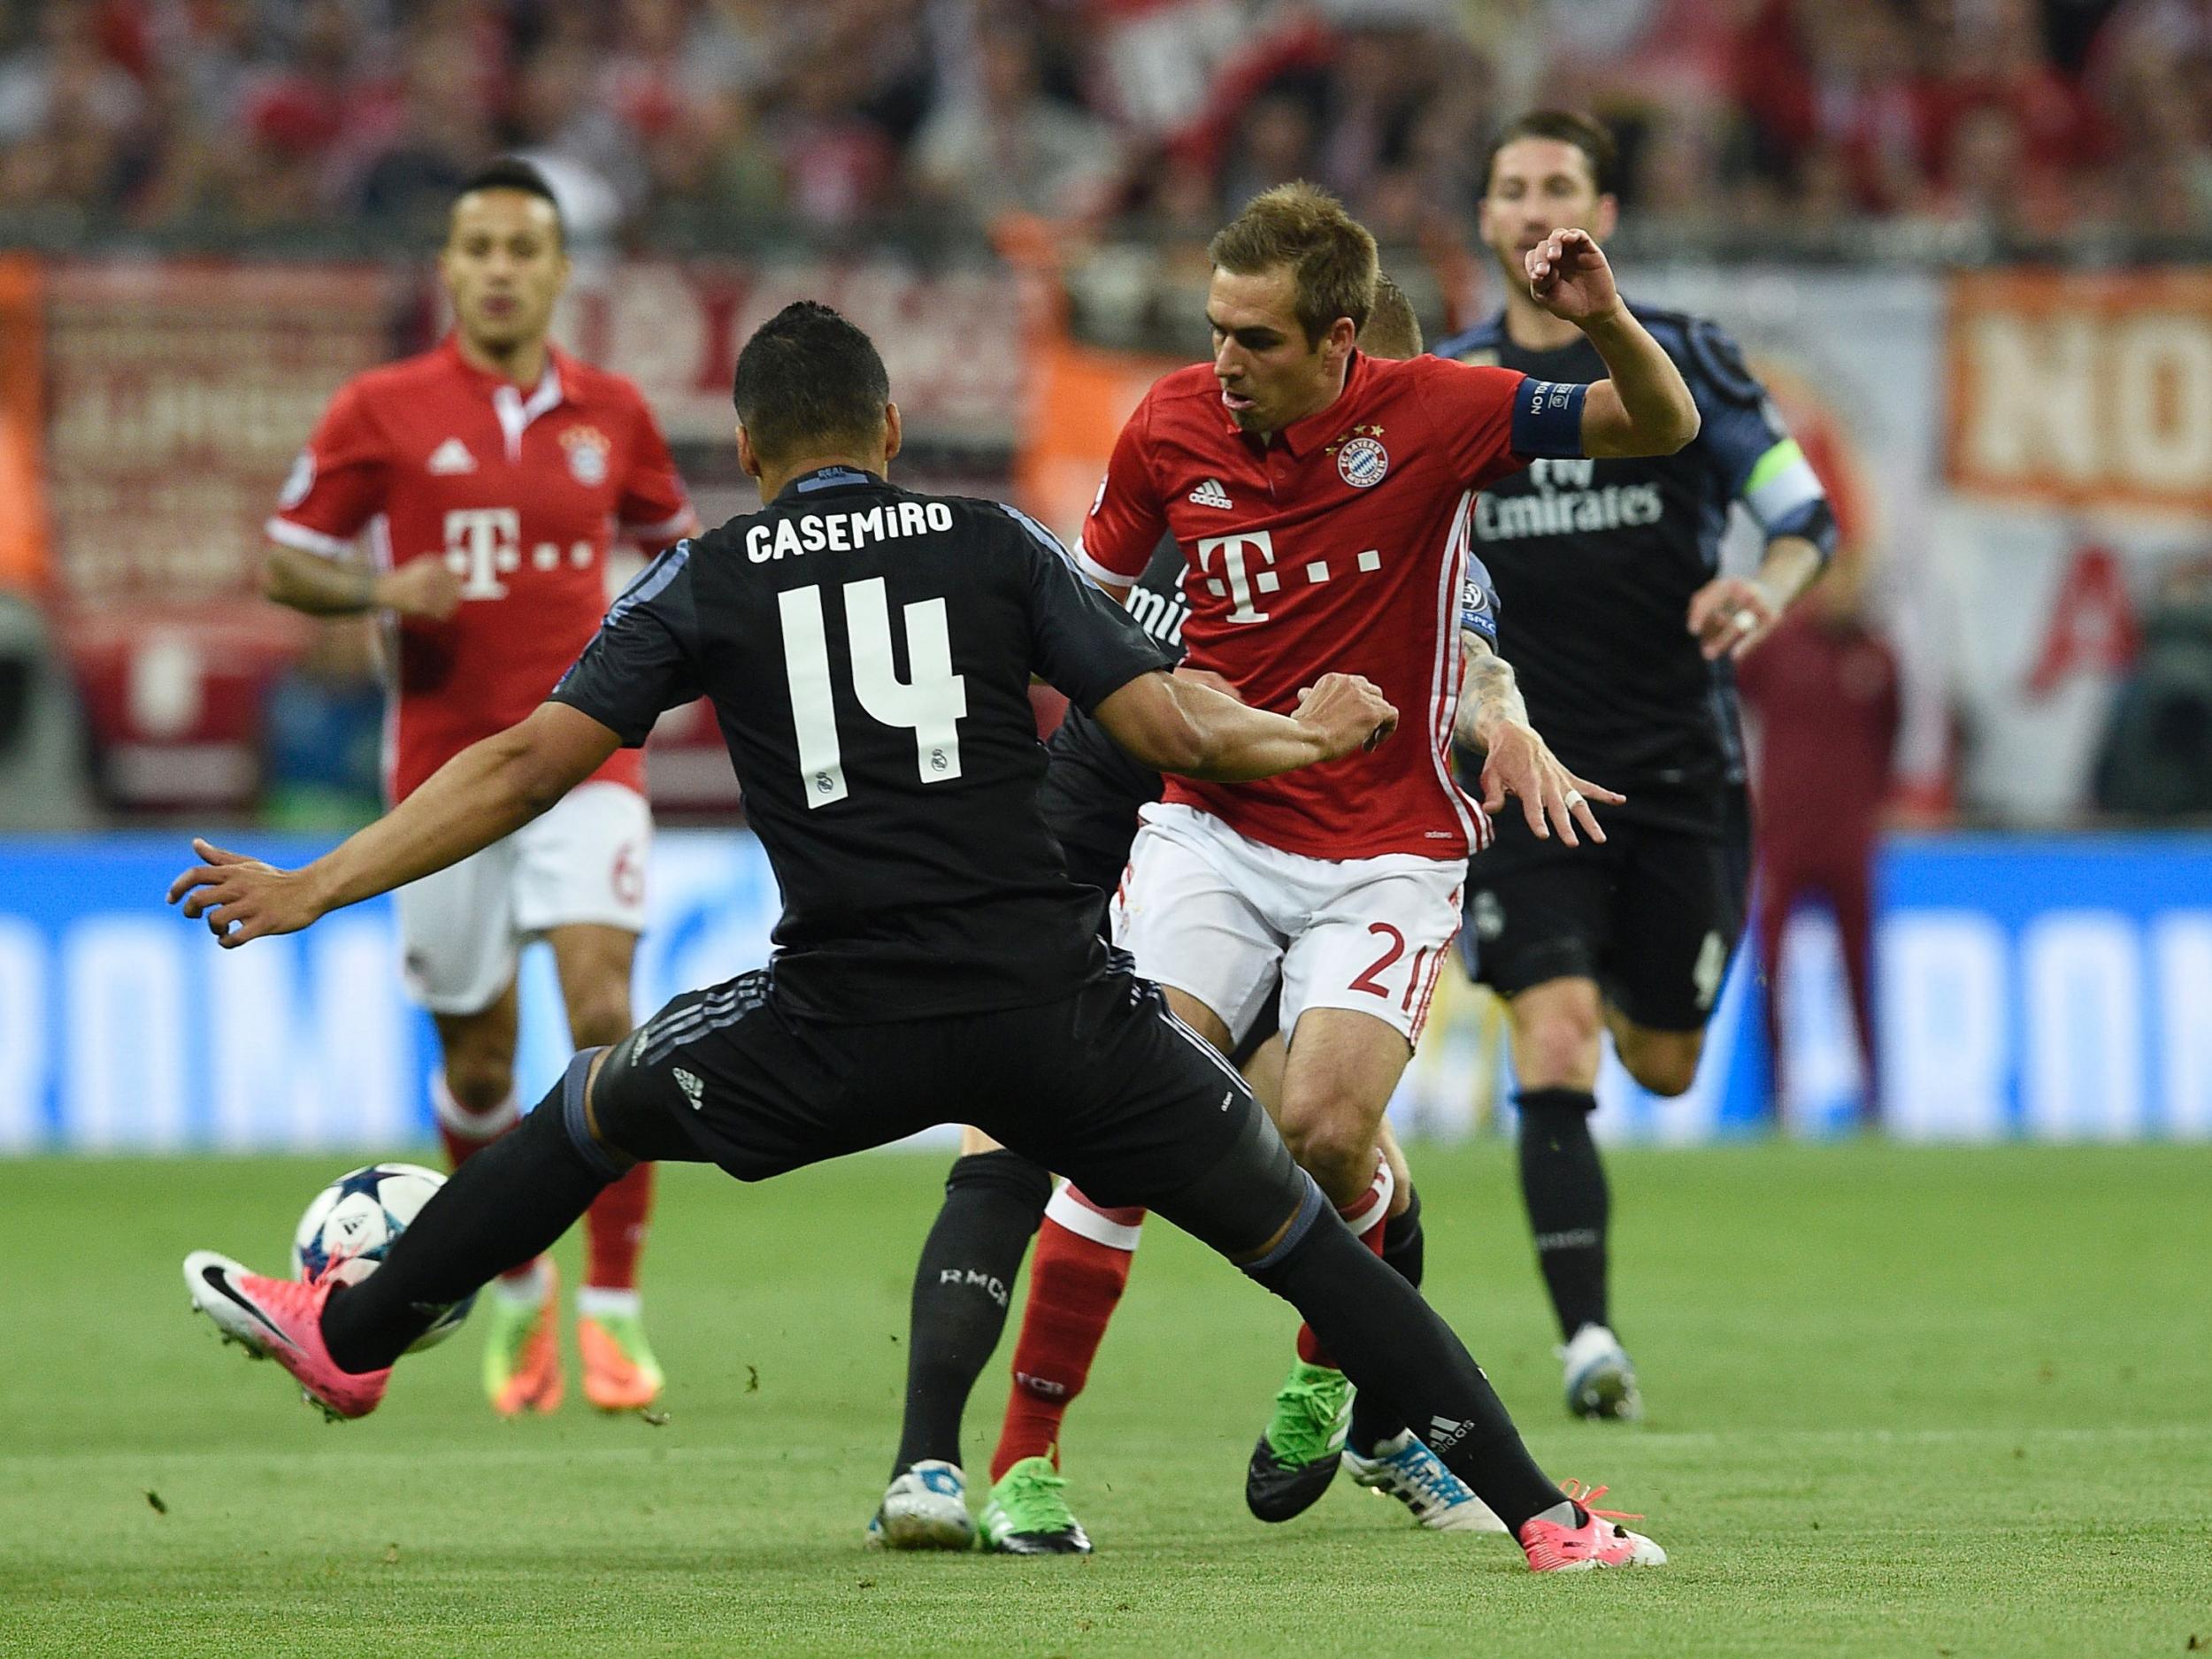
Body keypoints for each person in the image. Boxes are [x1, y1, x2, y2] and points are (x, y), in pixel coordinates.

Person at [173, 300, 1670, 1578]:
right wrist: (1296, 738)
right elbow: (1159, 719)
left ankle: (355, 1337)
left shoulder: (707, 574)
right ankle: (1549, 1523)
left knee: (587, 1109)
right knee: (1302, 1245)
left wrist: (317, 884)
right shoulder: (993, 544)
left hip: (840, 1022)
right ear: (890, 428)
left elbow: (521, 765)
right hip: (1062, 1015)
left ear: (749, 456)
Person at [970, 180, 1699, 1553]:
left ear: (1341, 338)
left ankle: (1330, 1363)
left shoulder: (1439, 411)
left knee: (1324, 1132)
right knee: (1118, 1112)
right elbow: (1090, 612)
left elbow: (1659, 426)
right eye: (1215, 329)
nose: (1222, 362)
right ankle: (1026, 1464)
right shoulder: (1168, 423)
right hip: (1212, 825)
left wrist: (1602, 321)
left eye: (1254, 337)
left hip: (1389, 848)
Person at [871, 279, 1443, 1555]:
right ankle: (947, 1463)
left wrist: (1504, 720)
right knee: (1033, 1130)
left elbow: (1480, 643)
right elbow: (1081, 624)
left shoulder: (1423, 539)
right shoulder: (1206, 479)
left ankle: (1350, 1387)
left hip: (1296, 842)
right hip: (1111, 823)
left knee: (1334, 1141)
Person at [260, 157, 698, 1417]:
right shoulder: (381, 408)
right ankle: (519, 1290)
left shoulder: (613, 411)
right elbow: (290, 563)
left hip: (586, 755)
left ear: (560, 271)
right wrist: (378, 591)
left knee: (605, 1011)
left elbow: (676, 555)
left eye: (524, 248)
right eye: (480, 247)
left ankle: (611, 1307)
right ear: (448, 269)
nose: (502, 268)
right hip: (442, 777)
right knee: (476, 1056)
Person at [1434, 110, 1837, 1420]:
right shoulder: (1447, 390)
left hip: (1679, 772)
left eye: (1560, 183)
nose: (1536, 204)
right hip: (1524, 770)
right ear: (1486, 220)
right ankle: (1588, 1341)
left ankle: (1616, 974)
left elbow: (1799, 513)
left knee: (1660, 1057)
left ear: (1601, 213)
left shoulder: (1693, 364)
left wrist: (1766, 594)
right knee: (1553, 1037)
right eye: (1513, 187)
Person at [1735, 550, 1900, 1124]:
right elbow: (1728, 696)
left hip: (1851, 841)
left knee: (1859, 969)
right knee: (1772, 966)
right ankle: (1777, 1097)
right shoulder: (1780, 648)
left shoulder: (1878, 657)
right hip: (1784, 838)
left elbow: (1889, 741)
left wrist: (1868, 807)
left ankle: (1873, 1097)